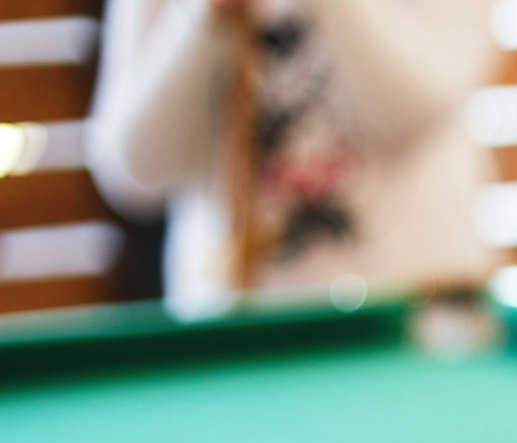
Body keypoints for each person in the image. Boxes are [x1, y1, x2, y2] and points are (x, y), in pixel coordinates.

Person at [89, 0, 495, 317]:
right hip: (236, 331)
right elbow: (134, 174)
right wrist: (202, 16)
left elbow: (417, 115)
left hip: (411, 318)